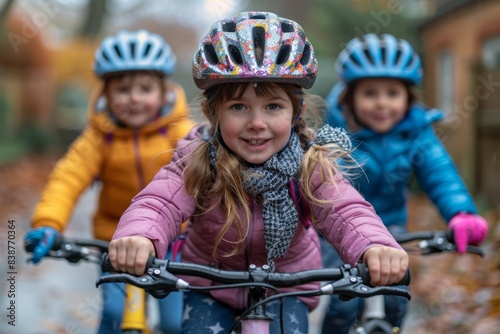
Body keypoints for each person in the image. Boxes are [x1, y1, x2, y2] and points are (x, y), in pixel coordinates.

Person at [107, 12, 409, 334]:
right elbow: (160, 202)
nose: (256, 122)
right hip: (210, 287)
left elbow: (345, 210)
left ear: (296, 113)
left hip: (287, 288)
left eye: (273, 107)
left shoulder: (310, 165)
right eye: (238, 107)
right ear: (213, 113)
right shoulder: (197, 160)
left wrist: (374, 246)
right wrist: (138, 235)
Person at [24, 30, 195, 334]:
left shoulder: (180, 132)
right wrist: (49, 222)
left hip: (174, 240)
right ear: (105, 94)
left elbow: (206, 173)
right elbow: (67, 177)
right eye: (122, 89)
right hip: (114, 242)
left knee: (175, 323)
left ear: (164, 92)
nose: (134, 98)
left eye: (145, 88)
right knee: (115, 316)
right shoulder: (98, 139)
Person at [320, 33, 489, 333]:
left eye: (392, 93)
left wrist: (461, 213)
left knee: (397, 295)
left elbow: (441, 175)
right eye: (370, 93)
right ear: (350, 98)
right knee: (343, 301)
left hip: (390, 227)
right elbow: (322, 184)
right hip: (341, 230)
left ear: (408, 98)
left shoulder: (417, 134)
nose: (382, 103)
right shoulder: (334, 133)